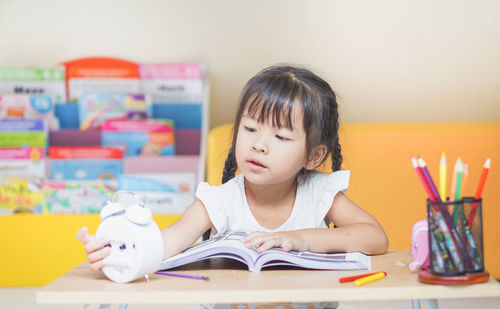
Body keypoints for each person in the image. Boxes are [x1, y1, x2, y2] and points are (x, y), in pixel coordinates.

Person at [77, 64, 388, 284]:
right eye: (250, 128)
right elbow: (166, 242)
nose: (259, 145)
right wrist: (117, 251)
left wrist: (299, 238)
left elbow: (376, 237)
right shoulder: (219, 200)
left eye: (280, 137)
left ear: (313, 155)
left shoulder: (319, 194)